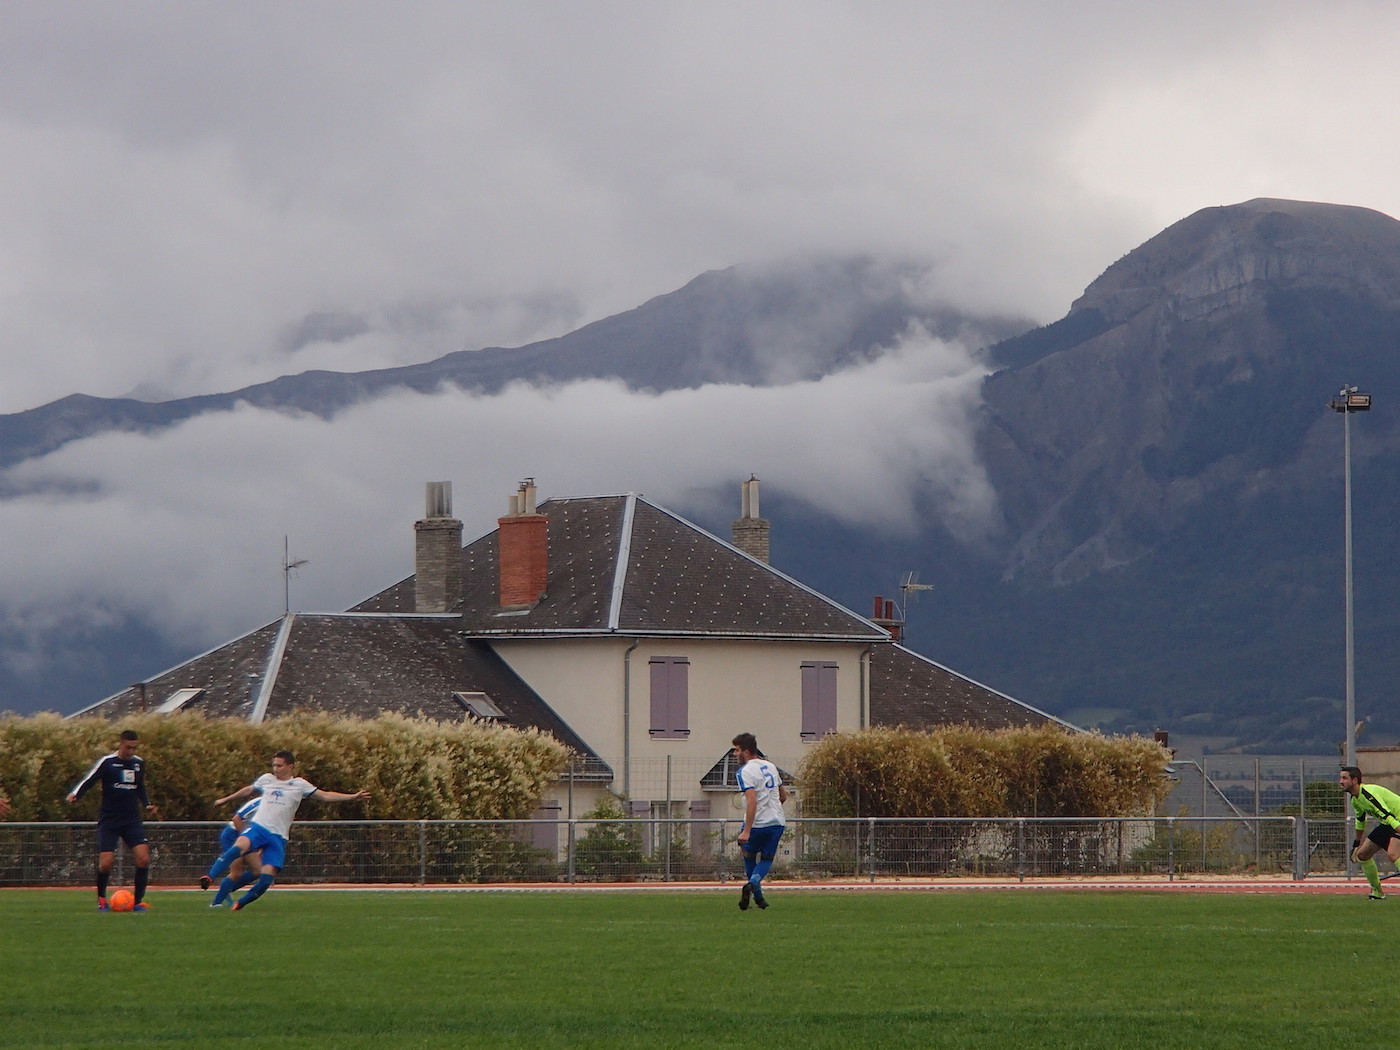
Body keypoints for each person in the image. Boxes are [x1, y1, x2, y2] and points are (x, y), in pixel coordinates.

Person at [201, 749, 369, 911]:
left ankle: (239, 904)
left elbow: (325, 795)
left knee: (266, 879)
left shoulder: (299, 784)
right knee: (238, 848)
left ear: (290, 766)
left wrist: (352, 797)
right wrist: (225, 799)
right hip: (259, 828)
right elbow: (248, 790)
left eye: (279, 766)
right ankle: (210, 877)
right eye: (274, 765)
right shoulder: (267, 779)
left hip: (278, 837)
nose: (275, 769)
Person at [66, 729, 158, 912]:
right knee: (106, 863)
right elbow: (90, 779)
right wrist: (76, 794)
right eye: (128, 747)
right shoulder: (108, 762)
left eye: (134, 748)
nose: (131, 751)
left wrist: (147, 804)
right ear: (121, 744)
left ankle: (137, 902)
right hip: (109, 820)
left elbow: (140, 787)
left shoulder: (138, 763)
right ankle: (102, 900)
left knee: (143, 859)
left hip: (131, 820)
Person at [732, 732, 787, 912]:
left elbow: (752, 801)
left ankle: (754, 886)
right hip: (777, 822)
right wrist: (773, 809)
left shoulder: (745, 771)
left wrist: (747, 830)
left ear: (746, 752)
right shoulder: (771, 766)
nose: (735, 754)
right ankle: (759, 897)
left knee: (748, 855)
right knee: (766, 859)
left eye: (737, 750)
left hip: (757, 824)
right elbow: (783, 796)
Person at [1340, 765, 1400, 900]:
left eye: (1344, 778)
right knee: (1363, 854)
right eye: (1341, 778)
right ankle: (1377, 892)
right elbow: (1361, 821)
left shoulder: (1368, 794)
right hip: (1388, 822)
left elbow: (1387, 815)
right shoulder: (1355, 800)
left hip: (1395, 819)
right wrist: (1356, 844)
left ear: (1354, 780)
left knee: (1393, 853)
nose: (1341, 782)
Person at [208, 794, 264, 907]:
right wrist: (246, 837)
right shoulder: (259, 802)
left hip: (249, 837)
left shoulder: (276, 810)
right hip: (233, 834)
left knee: (258, 870)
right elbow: (236, 818)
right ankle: (216, 903)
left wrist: (261, 847)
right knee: (236, 872)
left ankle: (227, 889)